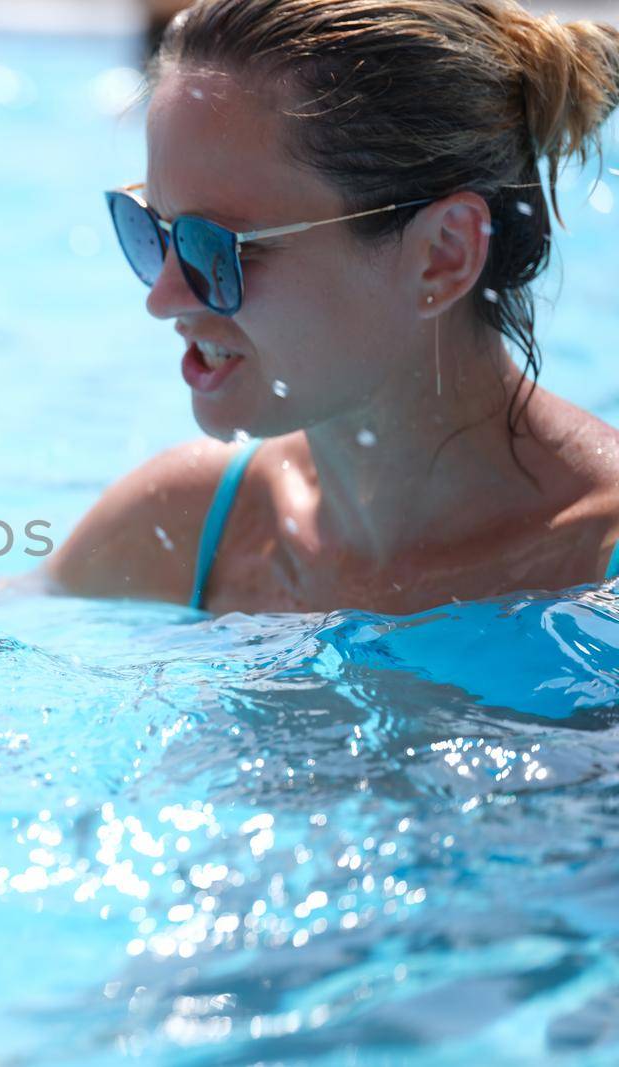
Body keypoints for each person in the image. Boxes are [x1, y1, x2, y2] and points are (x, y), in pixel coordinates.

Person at [46, 0, 619, 616]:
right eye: (151, 230)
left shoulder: (598, 568)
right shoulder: (184, 529)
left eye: (215, 247)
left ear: (443, 255)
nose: (162, 297)